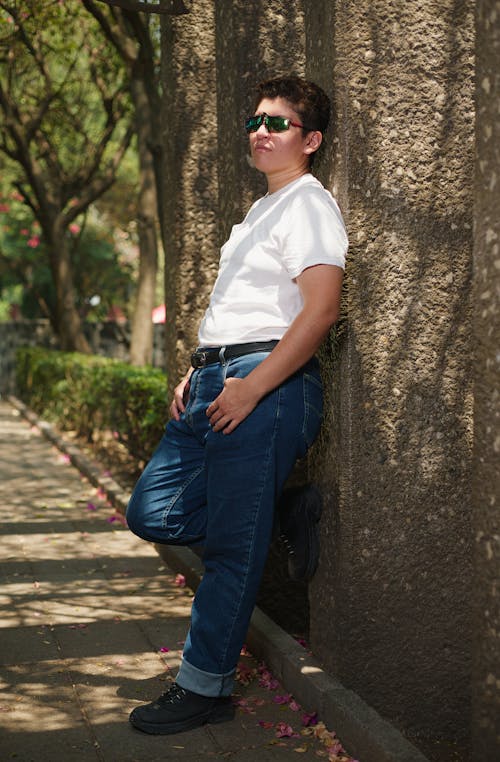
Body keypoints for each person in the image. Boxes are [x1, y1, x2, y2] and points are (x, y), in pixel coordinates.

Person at [126, 75, 348, 735]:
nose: (261, 130)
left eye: (277, 123)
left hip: (266, 387)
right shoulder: (261, 212)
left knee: (227, 548)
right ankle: (282, 509)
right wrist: (200, 369)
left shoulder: (309, 203)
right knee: (154, 511)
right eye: (256, 119)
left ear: (309, 140)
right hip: (216, 382)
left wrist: (252, 384)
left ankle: (204, 687)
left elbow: (322, 309)